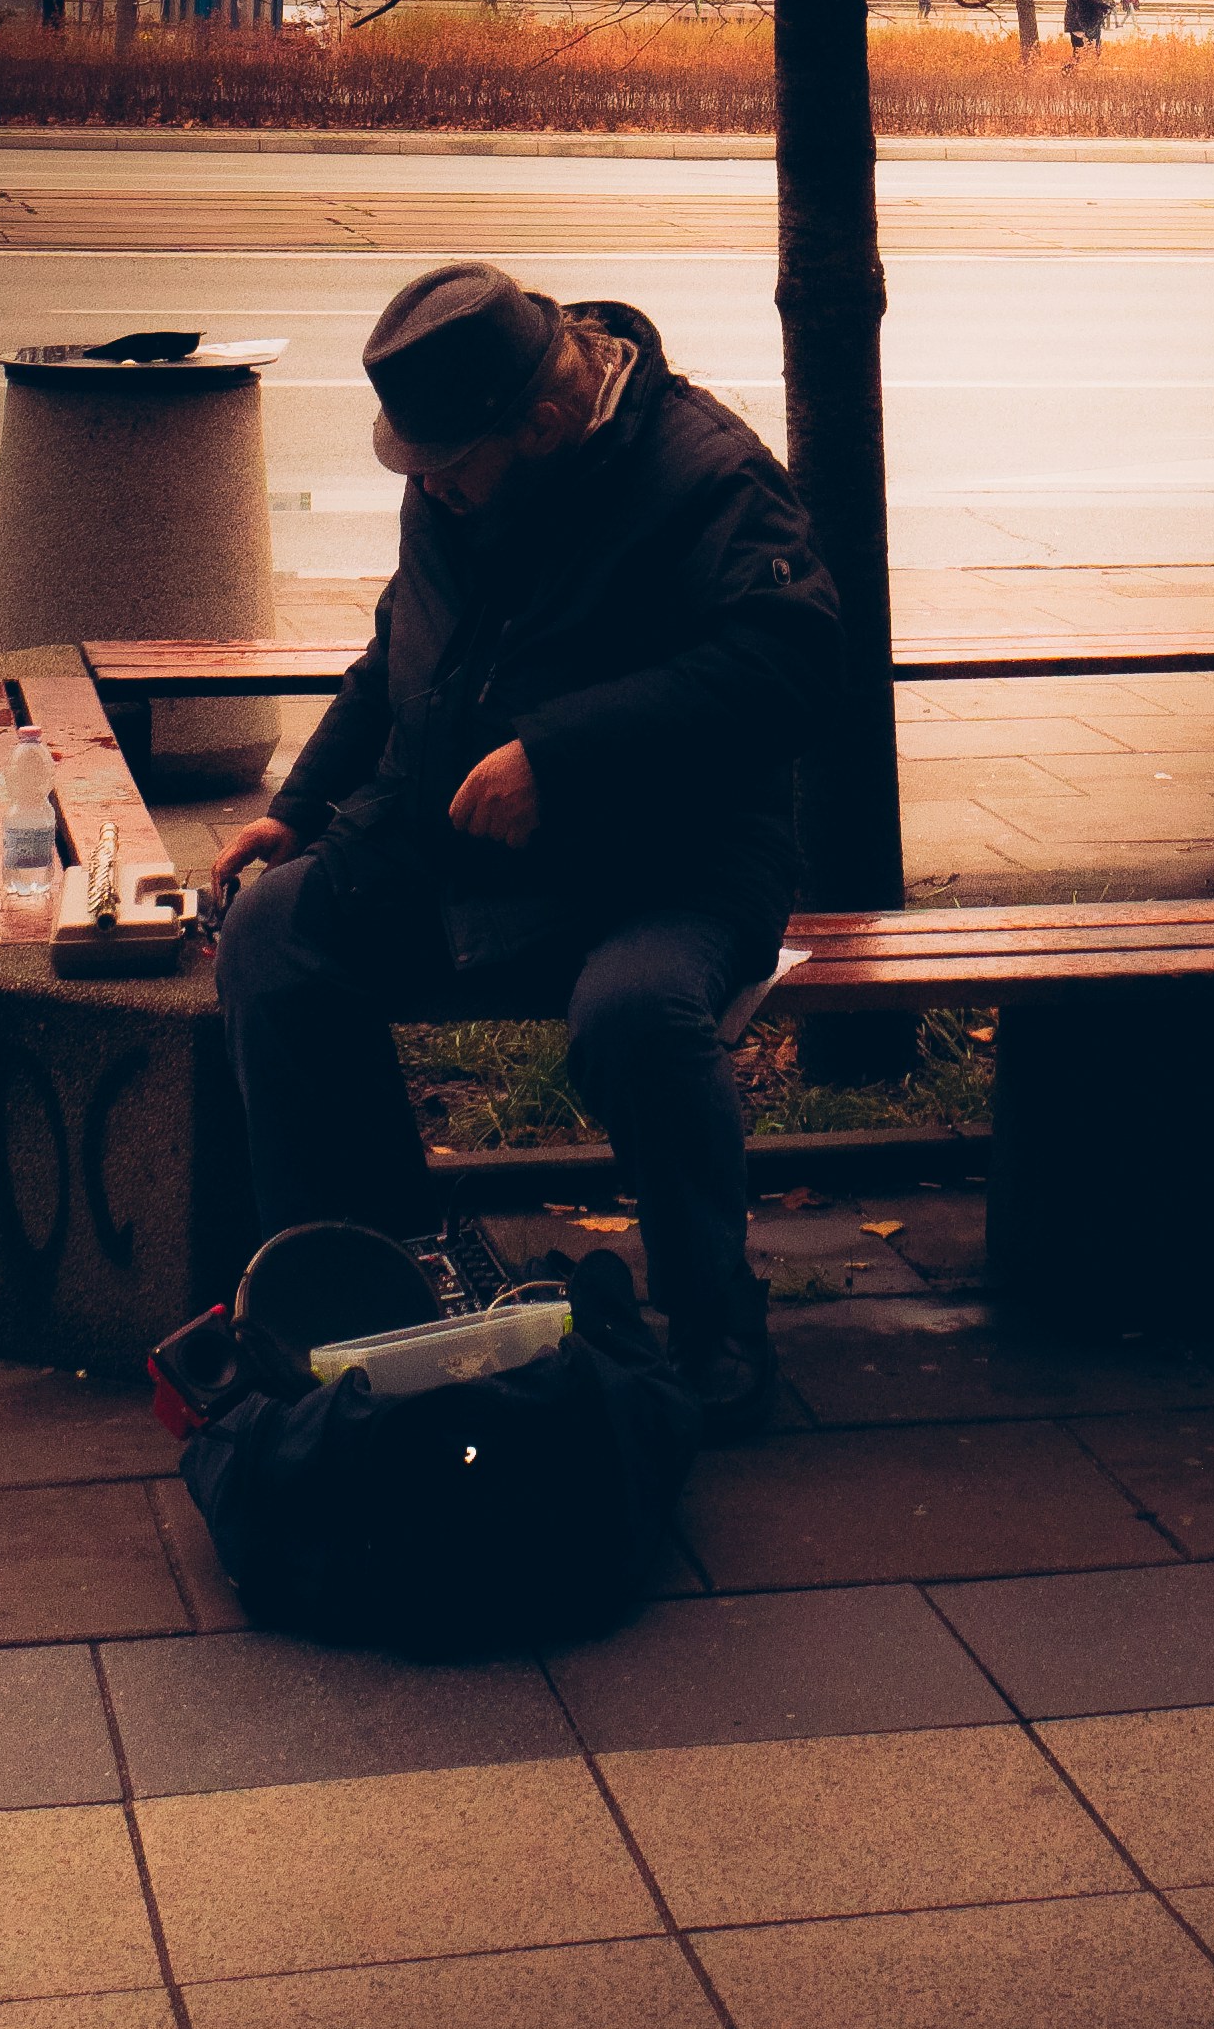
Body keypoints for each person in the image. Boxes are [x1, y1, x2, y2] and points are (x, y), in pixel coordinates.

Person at [210, 261, 840, 1432]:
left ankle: (715, 1324)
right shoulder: (454, 469)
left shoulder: (708, 475)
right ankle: (374, 1282)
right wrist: (301, 803)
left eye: (448, 468)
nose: (427, 486)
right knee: (273, 933)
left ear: (544, 425)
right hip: (457, 846)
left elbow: (790, 666)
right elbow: (402, 644)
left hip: (674, 862)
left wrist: (559, 755)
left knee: (636, 1014)